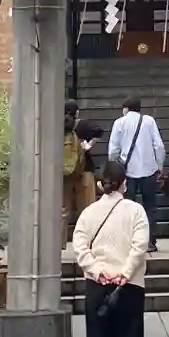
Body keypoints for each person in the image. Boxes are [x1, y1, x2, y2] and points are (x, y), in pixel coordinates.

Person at [72, 160, 150, 337]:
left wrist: (97, 271)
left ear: (99, 185)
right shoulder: (136, 211)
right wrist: (125, 272)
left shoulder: (88, 213)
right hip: (129, 286)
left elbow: (79, 247)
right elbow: (140, 246)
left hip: (97, 285)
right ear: (124, 184)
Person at [106, 96, 166, 249]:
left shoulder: (119, 123)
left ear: (126, 108)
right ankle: (150, 241)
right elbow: (158, 145)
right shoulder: (149, 121)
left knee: (126, 207)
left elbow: (113, 150)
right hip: (149, 170)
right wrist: (159, 165)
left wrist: (114, 166)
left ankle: (128, 241)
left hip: (127, 172)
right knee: (150, 207)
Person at [62, 101, 99, 243]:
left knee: (63, 211)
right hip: (84, 172)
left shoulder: (58, 127)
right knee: (86, 210)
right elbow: (98, 131)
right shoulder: (82, 125)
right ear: (76, 112)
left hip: (65, 174)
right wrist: (88, 145)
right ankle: (86, 242)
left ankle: (58, 243)